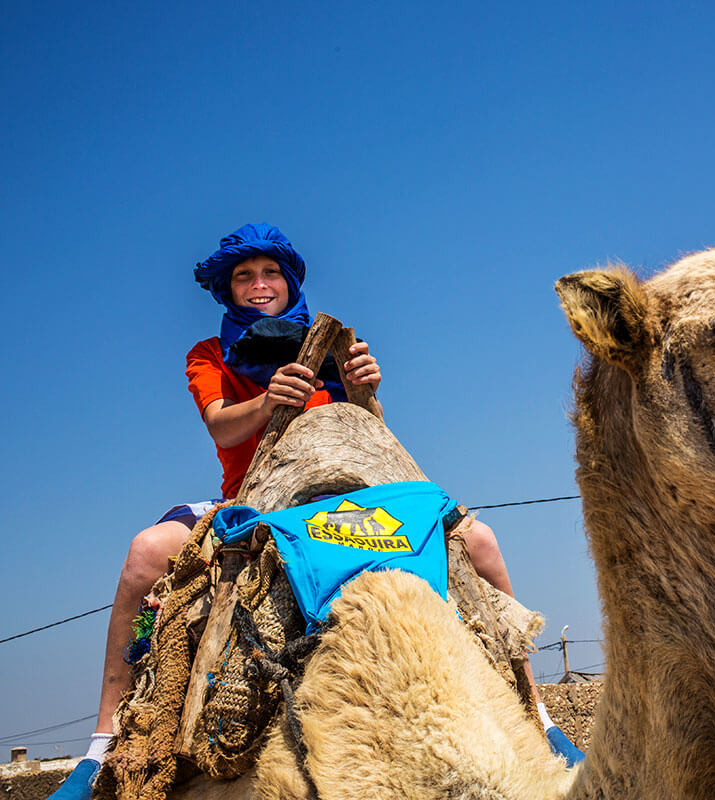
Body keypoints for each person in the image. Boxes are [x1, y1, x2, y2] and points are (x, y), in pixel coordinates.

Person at [52, 225, 580, 800]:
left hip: (343, 494)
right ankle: (102, 744)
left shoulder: (331, 344)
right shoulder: (209, 355)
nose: (259, 285)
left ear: (290, 280)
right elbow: (220, 422)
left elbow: (368, 433)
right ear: (227, 290)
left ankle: (536, 713)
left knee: (482, 544)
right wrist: (268, 399)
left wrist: (365, 391)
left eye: (270, 272)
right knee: (144, 554)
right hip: (249, 494)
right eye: (244, 276)